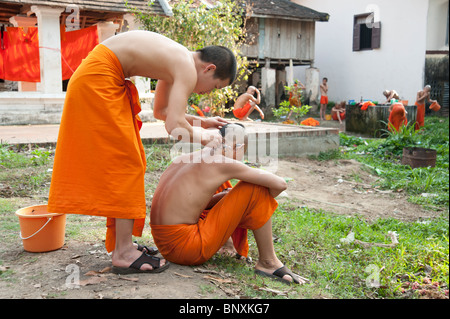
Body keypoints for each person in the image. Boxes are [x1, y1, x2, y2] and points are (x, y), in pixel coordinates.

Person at [48, 30, 237, 274]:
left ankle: (123, 245)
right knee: (127, 164)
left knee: (130, 161)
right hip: (99, 79)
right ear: (209, 69)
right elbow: (175, 126)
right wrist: (208, 139)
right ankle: (124, 252)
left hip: (98, 76)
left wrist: (204, 122)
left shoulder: (178, 60)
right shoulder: (186, 68)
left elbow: (162, 112)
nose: (206, 93)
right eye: (215, 87)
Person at [150, 123, 308, 285]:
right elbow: (280, 184)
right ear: (238, 147)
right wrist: (254, 204)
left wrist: (225, 199)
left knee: (225, 188)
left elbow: (188, 203)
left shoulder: (186, 158)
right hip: (186, 249)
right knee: (256, 188)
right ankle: (268, 262)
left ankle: (228, 245)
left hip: (164, 244)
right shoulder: (221, 162)